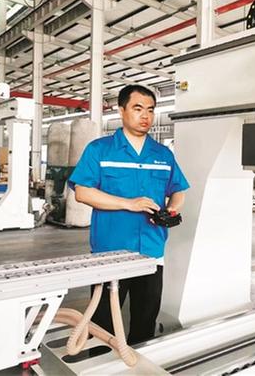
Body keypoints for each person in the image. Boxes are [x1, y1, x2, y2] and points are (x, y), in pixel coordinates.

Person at [68, 84, 189, 345]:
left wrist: (172, 208)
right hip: (110, 252)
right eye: (137, 108)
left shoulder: (162, 154)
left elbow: (178, 190)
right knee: (102, 325)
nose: (146, 115)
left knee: (145, 322)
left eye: (151, 110)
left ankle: (138, 362)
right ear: (121, 111)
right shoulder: (99, 150)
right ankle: (100, 363)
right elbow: (83, 192)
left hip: (152, 252)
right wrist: (128, 204)